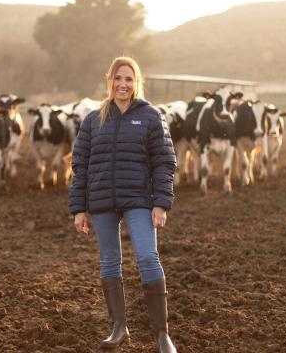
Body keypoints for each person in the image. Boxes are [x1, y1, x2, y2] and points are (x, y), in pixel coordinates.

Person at [68, 56, 177, 353]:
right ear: (110, 81)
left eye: (129, 79)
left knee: (147, 257)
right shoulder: (94, 119)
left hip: (139, 200)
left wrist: (161, 203)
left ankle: (162, 334)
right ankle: (118, 327)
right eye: (119, 78)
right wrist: (78, 208)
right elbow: (80, 165)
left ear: (136, 82)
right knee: (109, 262)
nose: (123, 84)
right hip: (101, 201)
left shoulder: (151, 116)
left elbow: (164, 162)